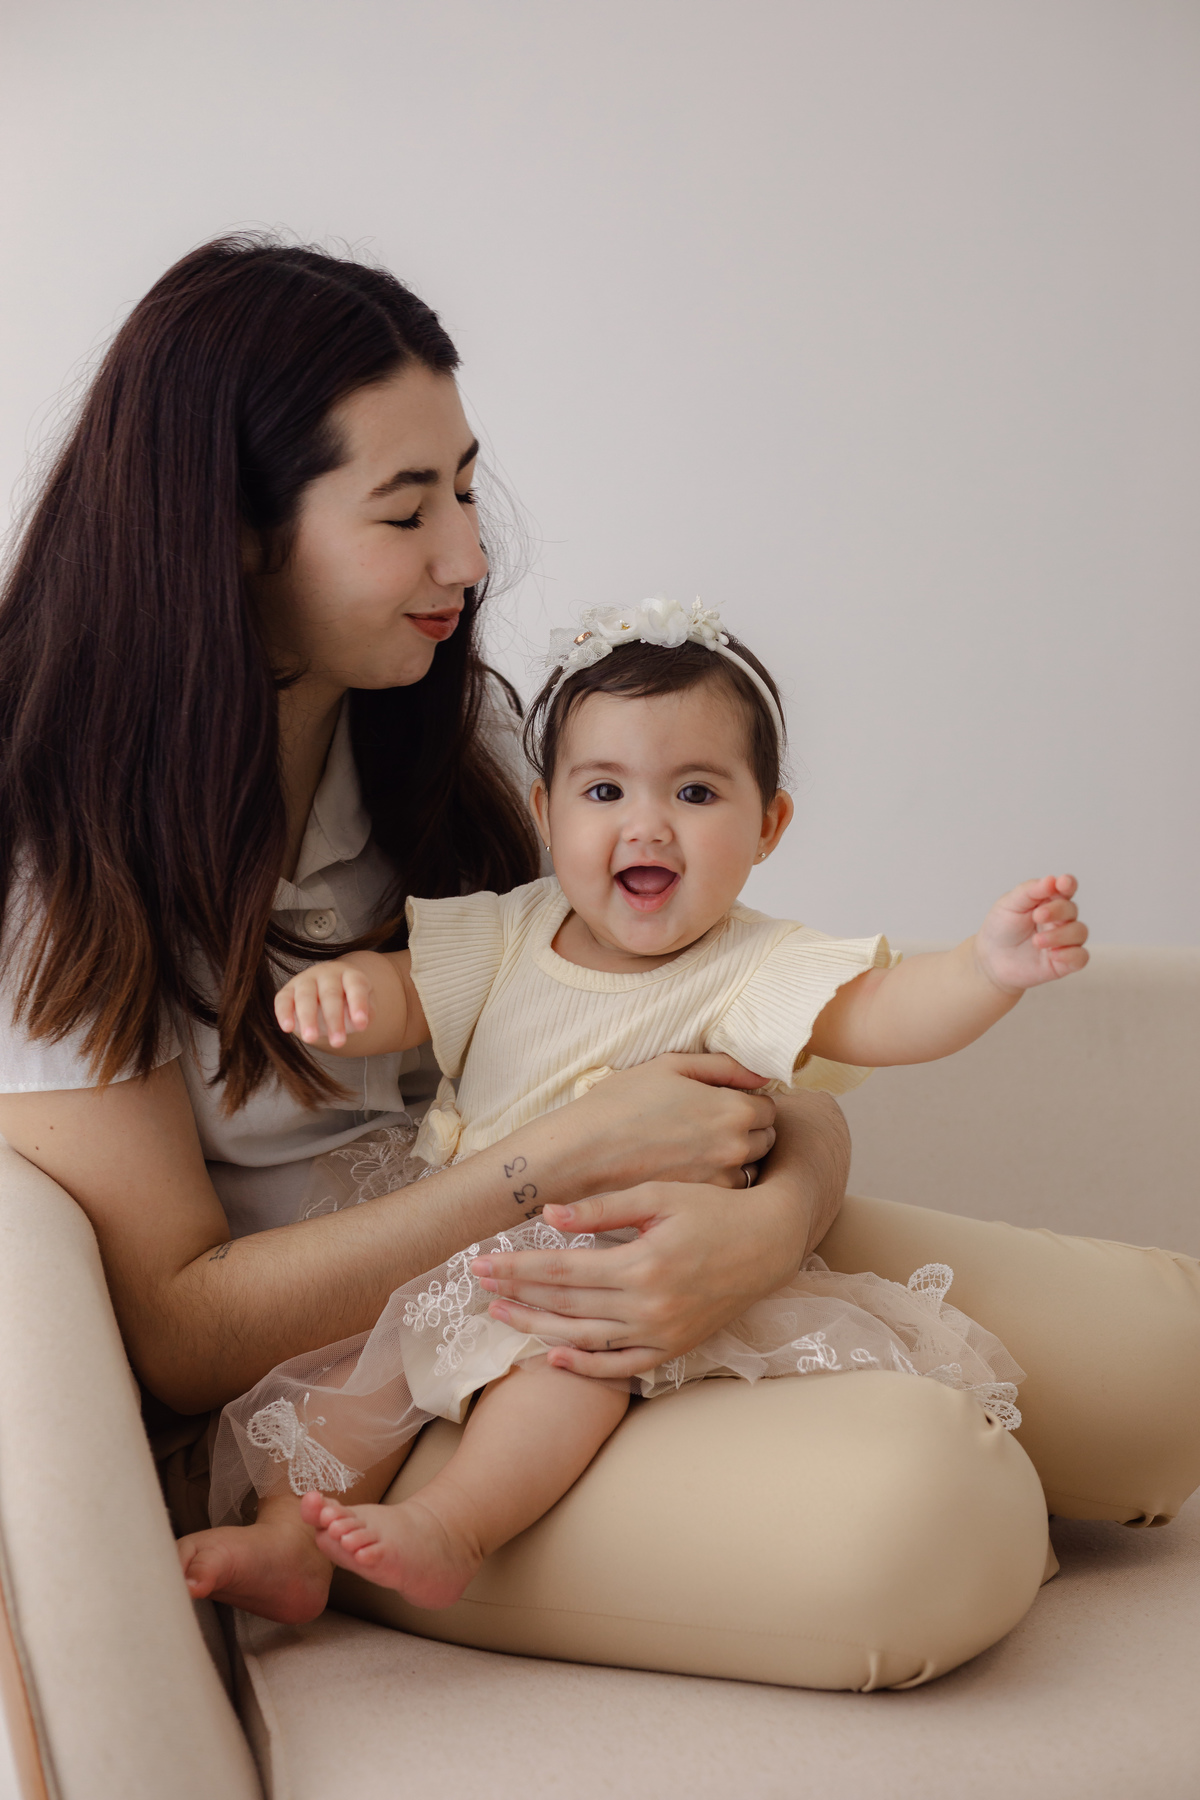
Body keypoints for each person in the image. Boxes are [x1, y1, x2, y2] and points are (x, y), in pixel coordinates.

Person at [0, 237, 1196, 1692]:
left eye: (463, 488)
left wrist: (778, 1210)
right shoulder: (53, 861)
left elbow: (693, 1008)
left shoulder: (458, 737)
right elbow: (182, 1333)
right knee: (935, 1519)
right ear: (237, 534)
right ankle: (383, 1536)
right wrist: (552, 1166)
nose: (468, 557)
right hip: (367, 1389)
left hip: (616, 1232)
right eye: (405, 510)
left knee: (1164, 1367)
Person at [188, 597, 1076, 1613]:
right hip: (460, 1253)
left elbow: (881, 1012)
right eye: (605, 790)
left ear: (768, 826)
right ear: (546, 812)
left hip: (614, 1280)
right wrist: (345, 992)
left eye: (695, 792)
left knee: (562, 1379)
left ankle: (454, 1527)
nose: (646, 824)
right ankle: (289, 1542)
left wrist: (983, 969)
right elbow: (408, 991)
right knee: (350, 1378)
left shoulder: (754, 964)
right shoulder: (511, 930)